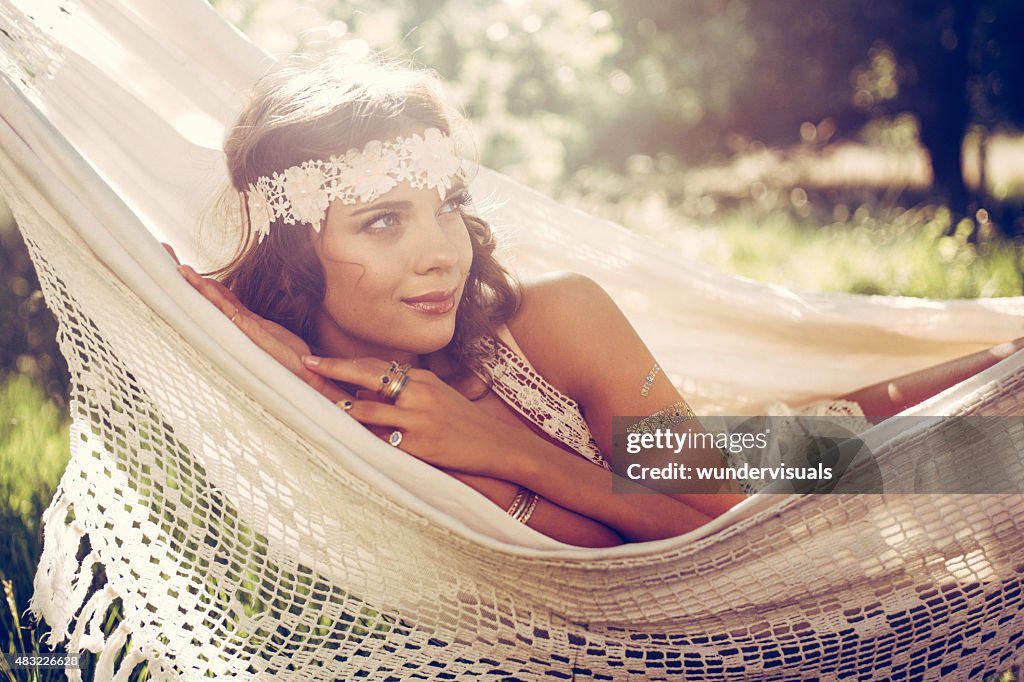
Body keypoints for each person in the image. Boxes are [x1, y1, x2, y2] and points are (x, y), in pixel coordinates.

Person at [174, 55, 1023, 547]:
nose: (441, 252)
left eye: (447, 206)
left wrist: (503, 447)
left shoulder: (556, 317)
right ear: (293, 253)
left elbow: (727, 532)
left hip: (756, 477)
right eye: (383, 220)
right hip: (711, 462)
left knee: (981, 414)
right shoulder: (309, 408)